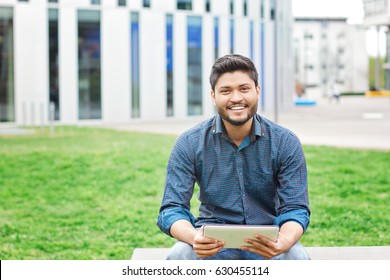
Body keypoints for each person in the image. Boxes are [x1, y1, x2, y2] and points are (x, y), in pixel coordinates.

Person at [157, 54, 310, 260]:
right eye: (226, 91)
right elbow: (171, 209)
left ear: (257, 91)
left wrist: (284, 240)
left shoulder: (285, 142)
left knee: (296, 257)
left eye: (244, 89)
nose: (236, 98)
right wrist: (194, 238)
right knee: (179, 254)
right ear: (213, 96)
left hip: (267, 241)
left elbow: (296, 208)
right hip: (211, 242)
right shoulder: (189, 143)